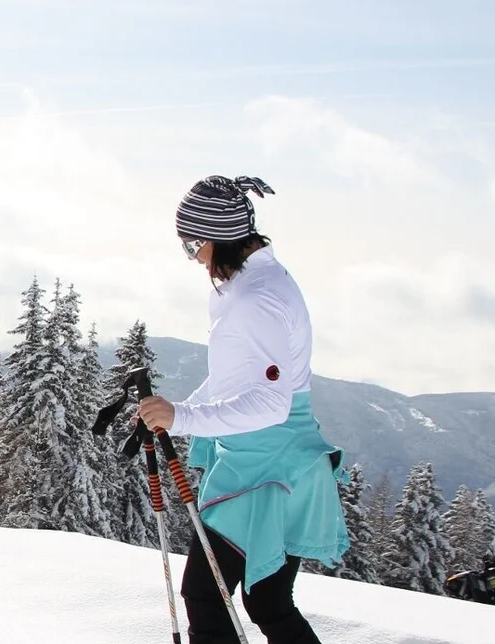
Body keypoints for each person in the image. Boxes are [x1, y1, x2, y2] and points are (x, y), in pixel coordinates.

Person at [134, 176, 348, 644]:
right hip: (282, 463)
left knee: (206, 597)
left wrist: (184, 418)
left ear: (220, 237)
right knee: (268, 602)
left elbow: (271, 403)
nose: (194, 258)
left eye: (193, 244)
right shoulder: (255, 284)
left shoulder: (256, 299)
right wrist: (176, 412)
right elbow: (237, 378)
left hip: (266, 467)